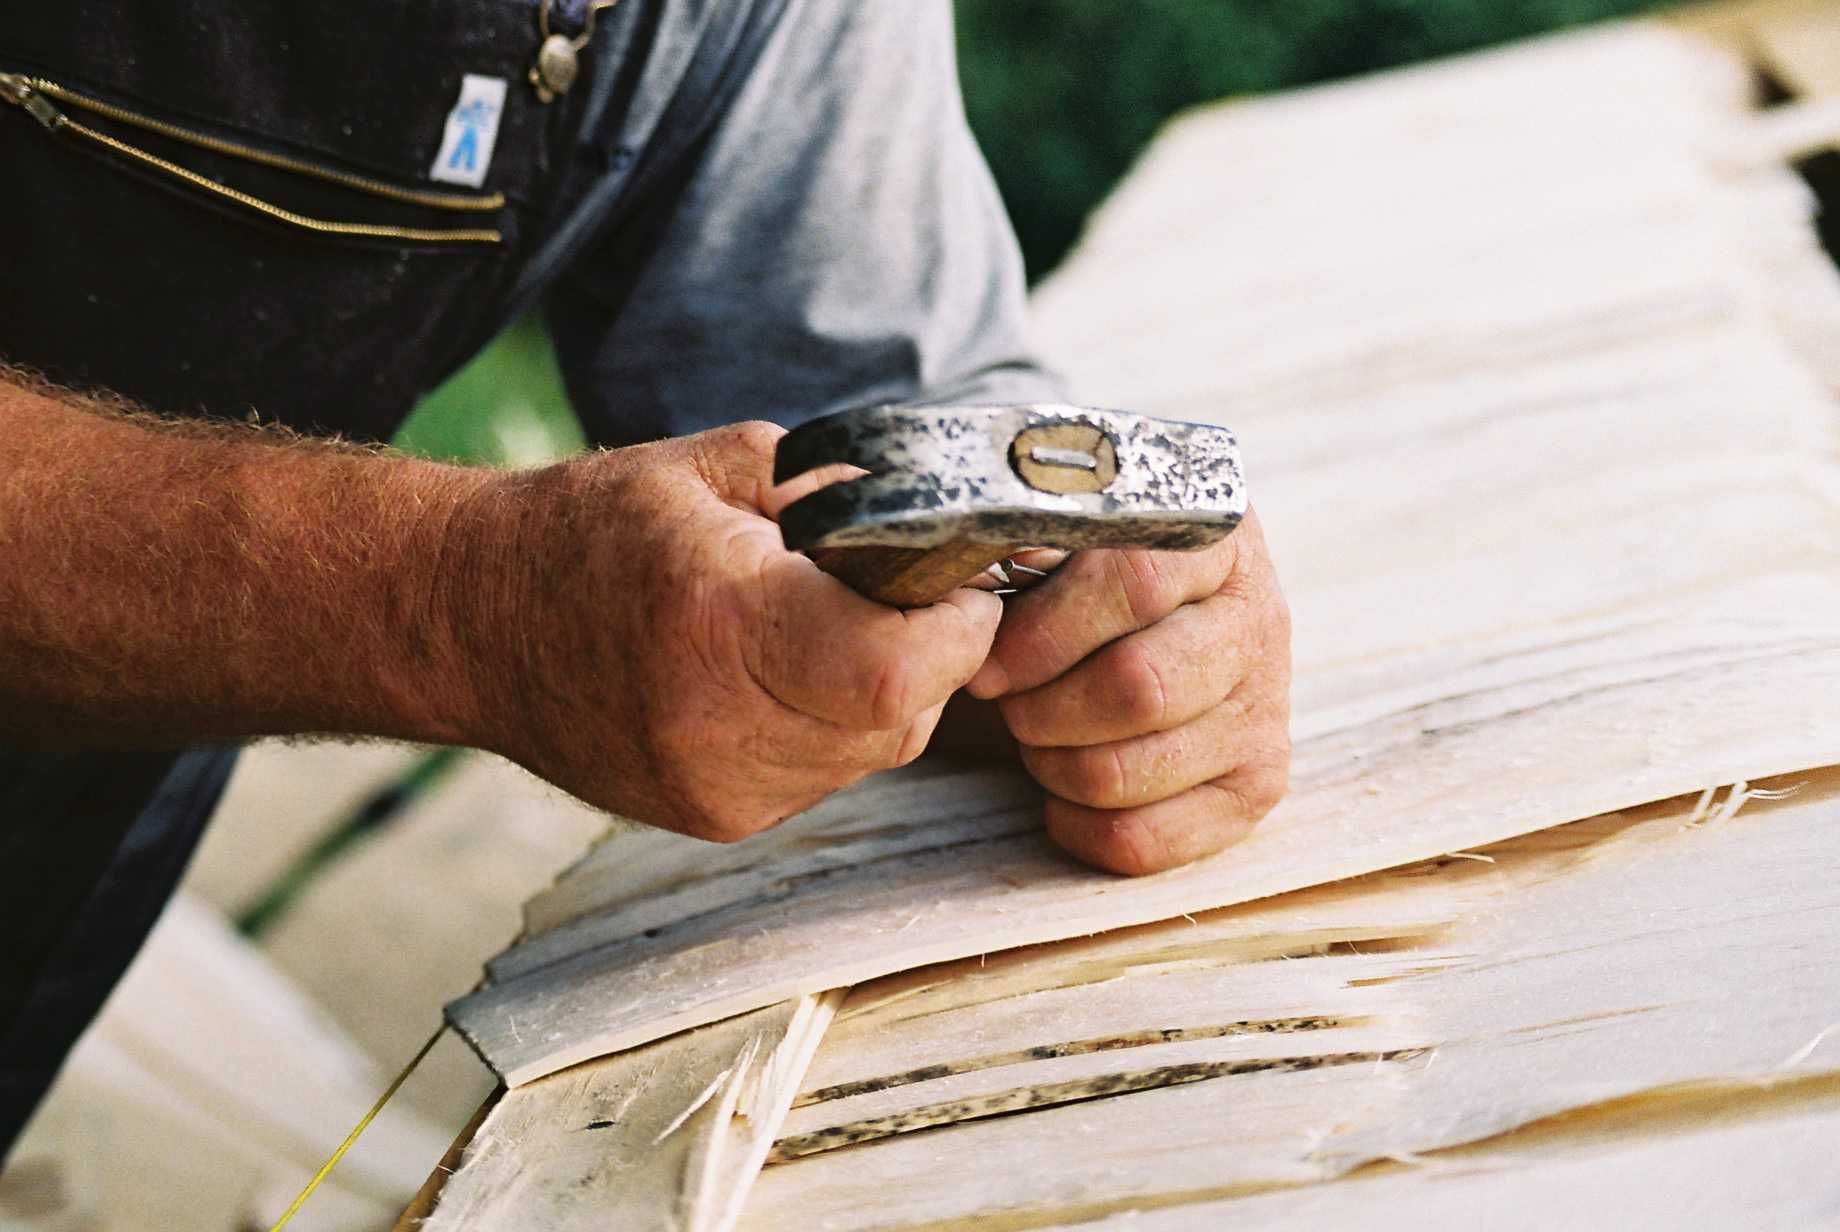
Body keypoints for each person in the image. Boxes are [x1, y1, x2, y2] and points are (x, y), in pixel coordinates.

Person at [0, 0, 1291, 1154]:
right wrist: (456, 605)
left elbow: (875, 446)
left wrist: (1095, 635)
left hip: (92, 786)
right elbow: (481, 607)